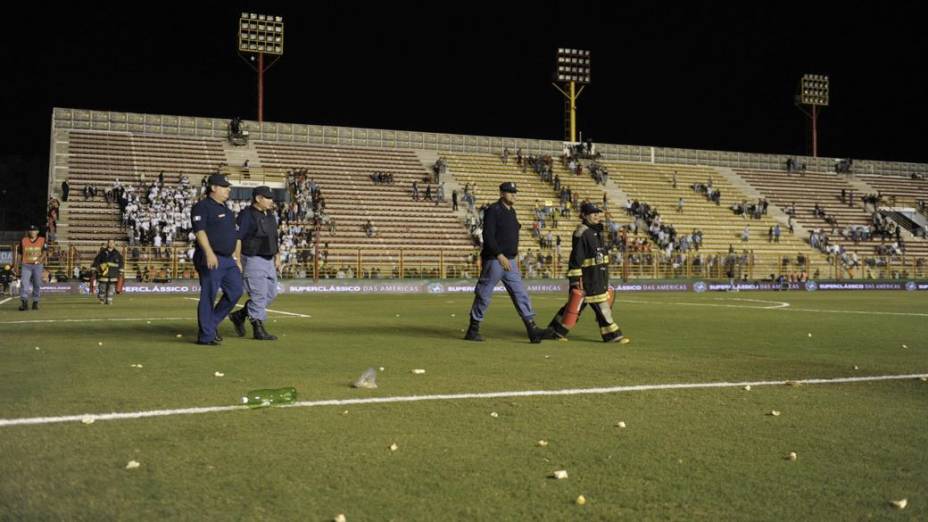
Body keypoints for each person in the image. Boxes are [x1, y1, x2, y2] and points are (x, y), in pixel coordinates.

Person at [464, 182, 544, 343]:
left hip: (511, 261)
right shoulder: (494, 210)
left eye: (515, 192)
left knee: (520, 293)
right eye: (510, 192)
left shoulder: (512, 211)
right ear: (502, 193)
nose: (514, 194)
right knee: (484, 294)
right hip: (495, 260)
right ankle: (473, 329)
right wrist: (499, 255)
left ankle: (532, 329)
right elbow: (488, 236)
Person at [542, 203, 629, 343]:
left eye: (598, 213)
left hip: (597, 277)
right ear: (584, 215)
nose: (597, 216)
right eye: (593, 213)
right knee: (599, 307)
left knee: (573, 307)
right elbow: (576, 257)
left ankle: (556, 331)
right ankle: (613, 335)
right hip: (587, 279)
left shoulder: (597, 232)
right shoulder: (582, 233)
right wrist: (575, 280)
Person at [191, 174, 243, 345]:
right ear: (213, 188)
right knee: (209, 295)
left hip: (228, 260)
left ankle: (210, 325)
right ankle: (206, 336)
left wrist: (236, 258)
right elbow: (200, 231)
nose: (228, 189)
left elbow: (235, 236)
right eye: (224, 186)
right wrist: (209, 252)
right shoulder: (201, 207)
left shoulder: (228, 211)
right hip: (210, 257)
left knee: (236, 291)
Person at [229, 186, 280, 341]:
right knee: (259, 295)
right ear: (258, 198)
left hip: (269, 259)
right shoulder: (246, 215)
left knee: (270, 294)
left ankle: (239, 315)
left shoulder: (270, 215)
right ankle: (258, 328)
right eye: (268, 198)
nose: (271, 201)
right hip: (253, 258)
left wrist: (277, 256)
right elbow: (238, 238)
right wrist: (237, 260)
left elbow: (274, 237)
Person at [18, 225, 47, 311]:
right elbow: (19, 253)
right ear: (28, 232)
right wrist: (16, 265)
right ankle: (24, 302)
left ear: (37, 232)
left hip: (37, 265)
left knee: (37, 283)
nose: (32, 232)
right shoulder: (24, 240)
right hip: (26, 264)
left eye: (34, 230)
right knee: (24, 283)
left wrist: (40, 260)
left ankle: (35, 302)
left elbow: (44, 252)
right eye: (31, 231)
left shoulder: (42, 240)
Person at [92, 239, 124, 305]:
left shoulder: (117, 253)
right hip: (103, 273)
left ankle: (109, 300)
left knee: (111, 288)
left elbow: (121, 263)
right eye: (110, 243)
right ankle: (102, 299)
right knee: (102, 287)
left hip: (113, 273)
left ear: (114, 244)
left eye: (112, 243)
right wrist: (94, 268)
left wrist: (121, 270)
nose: (111, 244)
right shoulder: (102, 252)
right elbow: (96, 260)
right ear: (108, 244)